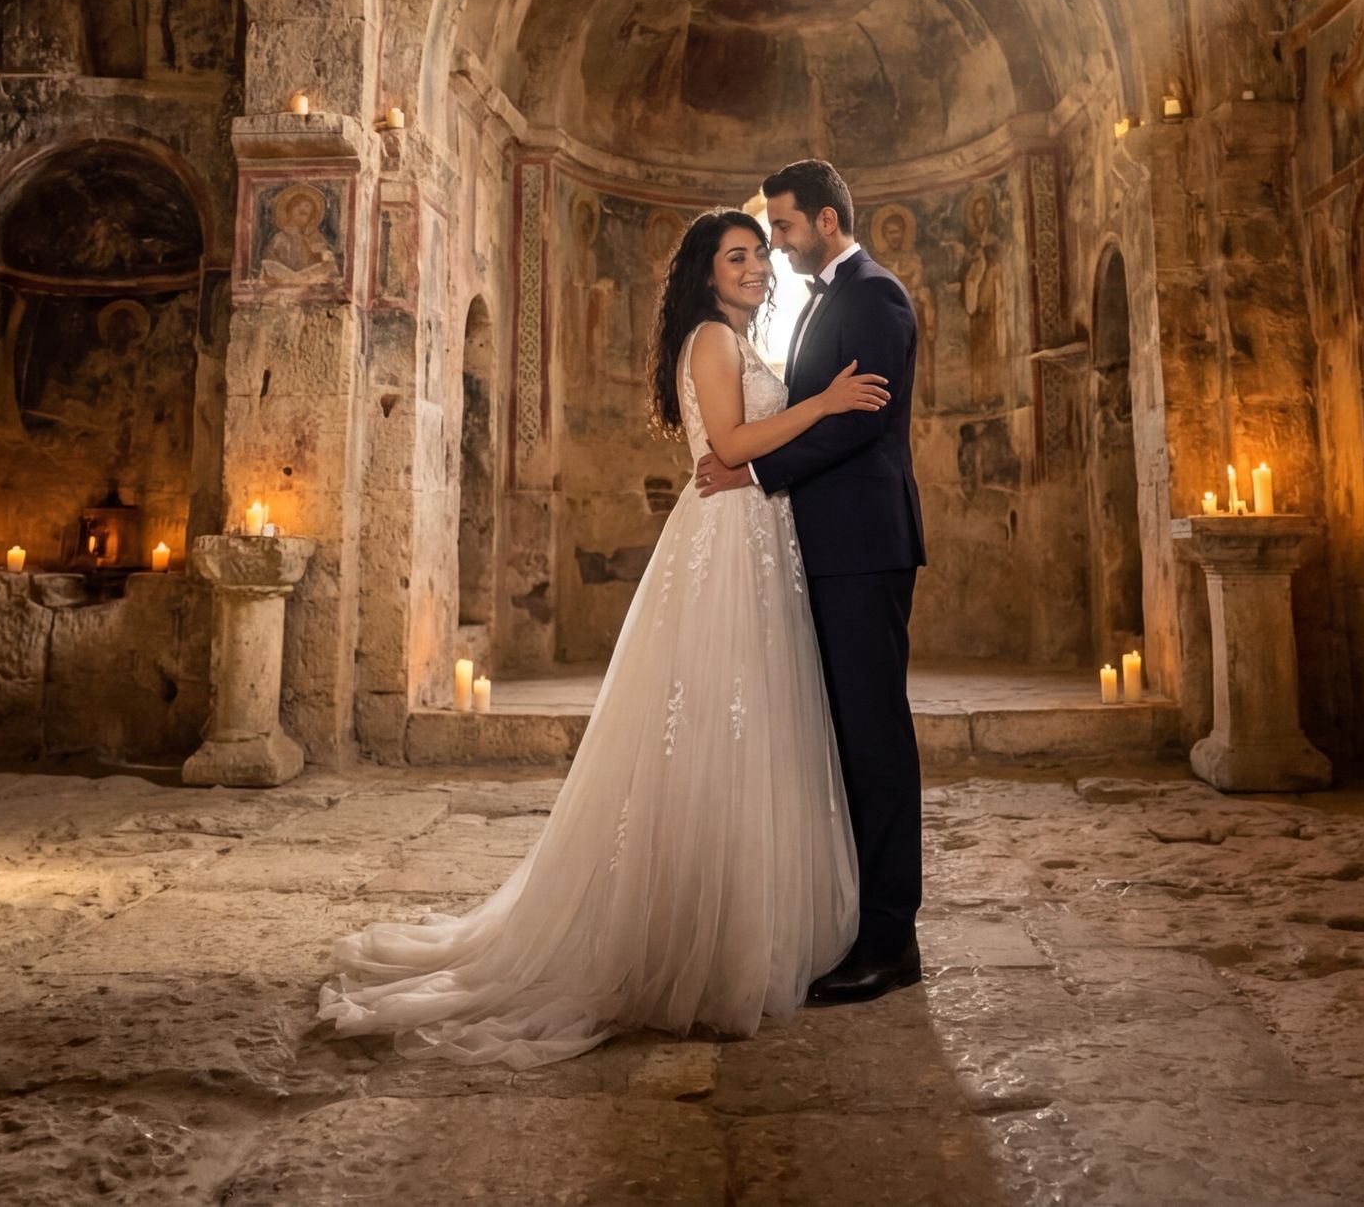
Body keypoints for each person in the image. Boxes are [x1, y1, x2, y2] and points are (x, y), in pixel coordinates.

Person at [319, 209, 888, 1063]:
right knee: (712, 722)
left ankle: (745, 921)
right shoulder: (710, 339)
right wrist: (827, 403)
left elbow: (736, 448)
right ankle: (693, 941)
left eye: (761, 257)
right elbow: (730, 442)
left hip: (756, 535)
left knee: (747, 724)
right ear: (706, 271)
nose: (756, 269)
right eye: (738, 257)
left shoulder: (734, 341)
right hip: (725, 542)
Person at [698, 158, 926, 1005]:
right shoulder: (828, 299)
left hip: (864, 545)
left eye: (785, 228)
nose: (776, 245)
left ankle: (890, 938)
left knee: (874, 737)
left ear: (827, 221)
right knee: (844, 736)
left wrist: (755, 477)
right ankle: (853, 917)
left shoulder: (874, 295)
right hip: (827, 545)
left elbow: (858, 420)